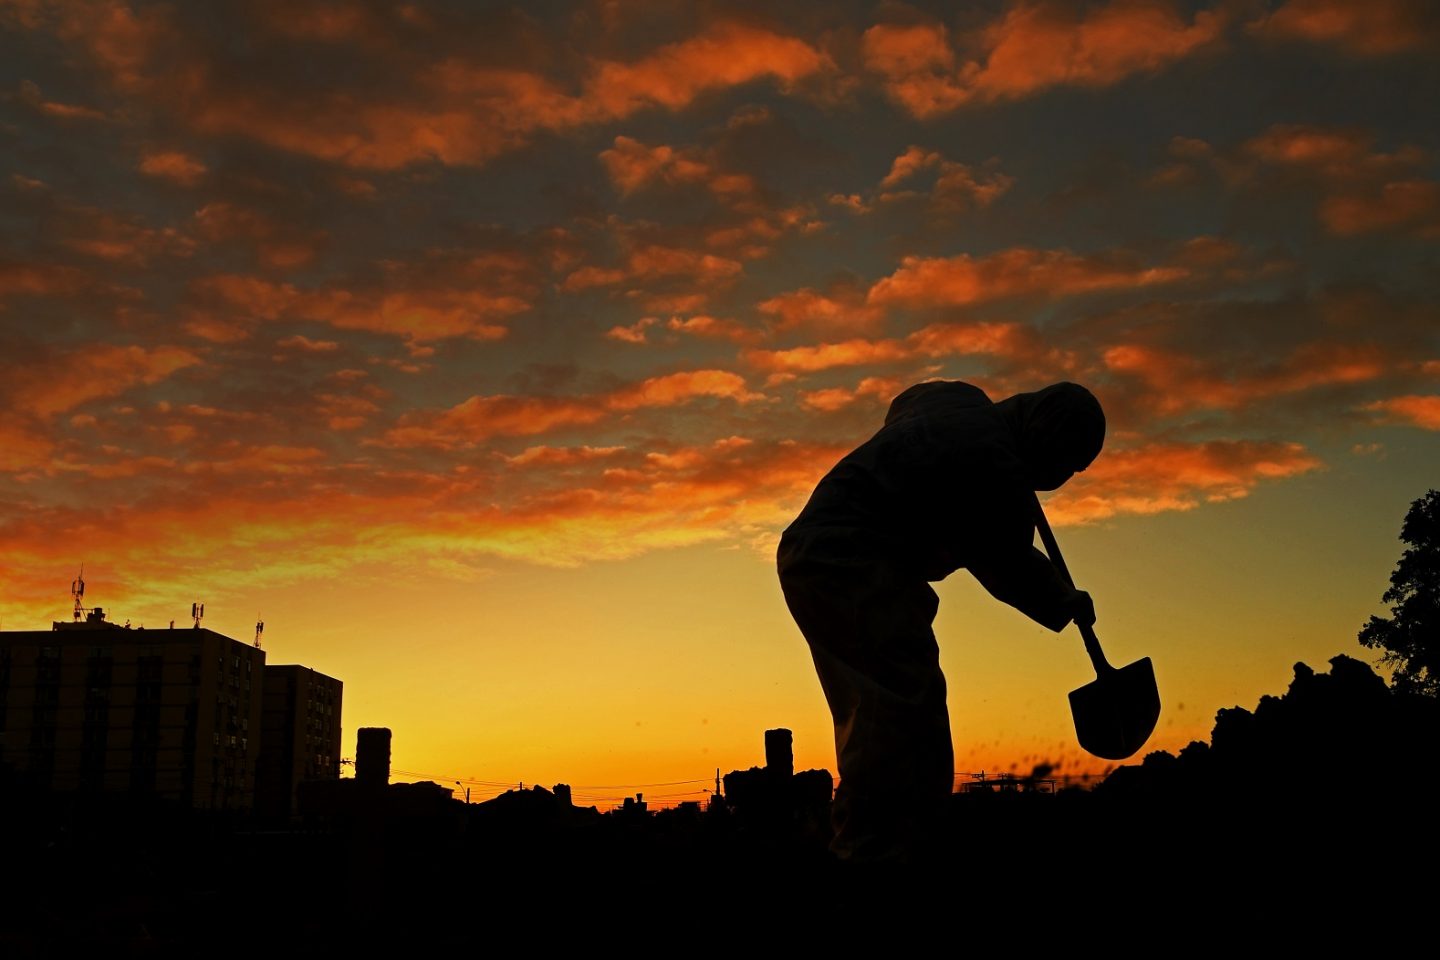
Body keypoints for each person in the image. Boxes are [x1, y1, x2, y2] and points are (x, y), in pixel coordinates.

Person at [776, 379, 1105, 863]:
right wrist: (1065, 600)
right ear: (1045, 434)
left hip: (817, 553)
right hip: (849, 559)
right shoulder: (992, 465)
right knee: (900, 712)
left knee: (887, 704)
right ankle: (879, 854)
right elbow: (1003, 559)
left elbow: (907, 400)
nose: (1060, 477)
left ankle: (888, 843)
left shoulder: (962, 401)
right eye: (1064, 462)